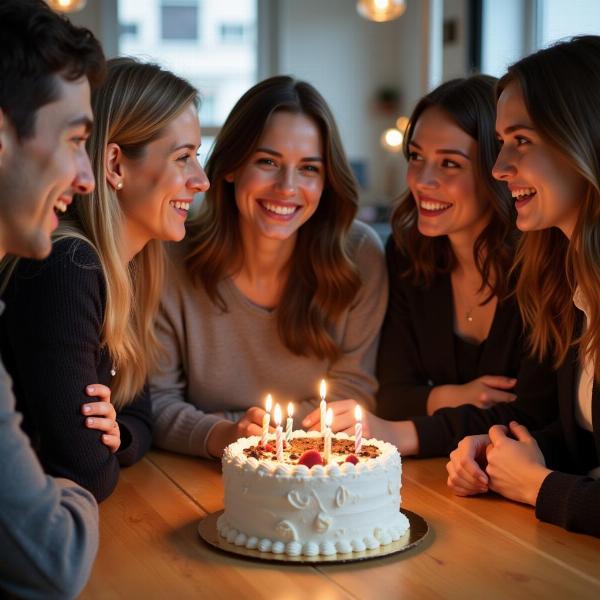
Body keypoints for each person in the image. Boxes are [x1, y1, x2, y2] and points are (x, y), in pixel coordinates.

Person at [302, 76, 557, 459]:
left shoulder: (545, 268)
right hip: (435, 475)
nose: (422, 180)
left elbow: (534, 417)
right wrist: (450, 396)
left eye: (450, 164)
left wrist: (405, 432)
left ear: (499, 170)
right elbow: (390, 394)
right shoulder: (408, 257)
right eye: (416, 157)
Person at [0, 57, 209, 502]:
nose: (202, 180)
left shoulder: (129, 264)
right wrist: (108, 447)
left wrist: (120, 436)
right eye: (184, 158)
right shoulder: (67, 267)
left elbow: (140, 415)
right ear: (115, 164)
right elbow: (85, 474)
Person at [150, 75, 387, 459]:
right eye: (267, 162)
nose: (287, 187)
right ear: (231, 166)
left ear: (327, 180)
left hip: (318, 472)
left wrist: (240, 429)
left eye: (309, 168)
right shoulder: (170, 257)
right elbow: (157, 403)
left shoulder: (359, 254)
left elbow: (352, 397)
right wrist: (225, 432)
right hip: (192, 475)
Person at [446, 36, 600, 538]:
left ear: (586, 139)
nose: (498, 167)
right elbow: (585, 444)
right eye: (501, 141)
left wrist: (538, 486)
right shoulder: (568, 280)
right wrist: (498, 452)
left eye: (522, 140)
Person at [0, 1, 105, 597]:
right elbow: (54, 558)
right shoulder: (71, 268)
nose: (86, 179)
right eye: (74, 140)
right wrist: (65, 490)